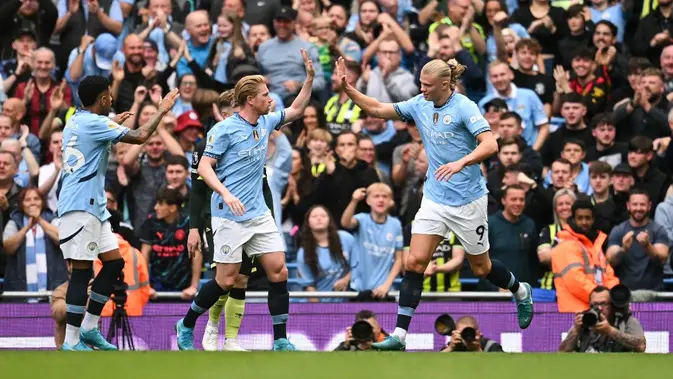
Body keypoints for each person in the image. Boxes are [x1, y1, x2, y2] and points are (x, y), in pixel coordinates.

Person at [335, 56, 534, 352]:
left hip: (468, 200)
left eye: (427, 86)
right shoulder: (420, 103)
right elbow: (377, 108)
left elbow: (491, 144)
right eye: (420, 84)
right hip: (435, 198)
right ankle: (400, 335)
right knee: (414, 262)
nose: (422, 89)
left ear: (445, 84)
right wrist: (348, 89)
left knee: (482, 268)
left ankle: (520, 290)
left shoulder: (465, 106)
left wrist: (461, 162)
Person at [174, 49, 315, 352]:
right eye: (265, 95)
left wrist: (310, 79)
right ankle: (186, 324)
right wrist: (225, 193)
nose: (270, 98)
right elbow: (203, 167)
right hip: (228, 214)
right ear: (251, 99)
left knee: (279, 270)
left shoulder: (265, 123)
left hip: (258, 213)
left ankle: (280, 339)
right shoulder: (224, 129)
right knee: (225, 280)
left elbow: (297, 110)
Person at [58, 75, 179, 351]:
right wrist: (161, 110)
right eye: (109, 95)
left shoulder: (76, 120)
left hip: (94, 208)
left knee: (114, 264)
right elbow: (141, 136)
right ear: (102, 98)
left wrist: (113, 124)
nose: (112, 99)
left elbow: (95, 136)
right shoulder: (96, 123)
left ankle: (89, 328)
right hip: (79, 206)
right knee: (81, 271)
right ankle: (71, 341)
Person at [188, 90, 276, 352]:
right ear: (224, 115)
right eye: (229, 113)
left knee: (241, 279)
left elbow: (263, 184)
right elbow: (197, 189)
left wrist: (268, 215)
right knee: (225, 277)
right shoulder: (206, 145)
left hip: (251, 215)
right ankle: (212, 324)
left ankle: (232, 340)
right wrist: (194, 227)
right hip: (216, 216)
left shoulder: (254, 137)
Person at [558, 286, 646, 353]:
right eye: (594, 305)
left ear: (612, 305)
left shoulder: (626, 320)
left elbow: (641, 346)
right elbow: (562, 353)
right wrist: (576, 330)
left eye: (604, 304)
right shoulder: (584, 322)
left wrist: (611, 331)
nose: (599, 308)